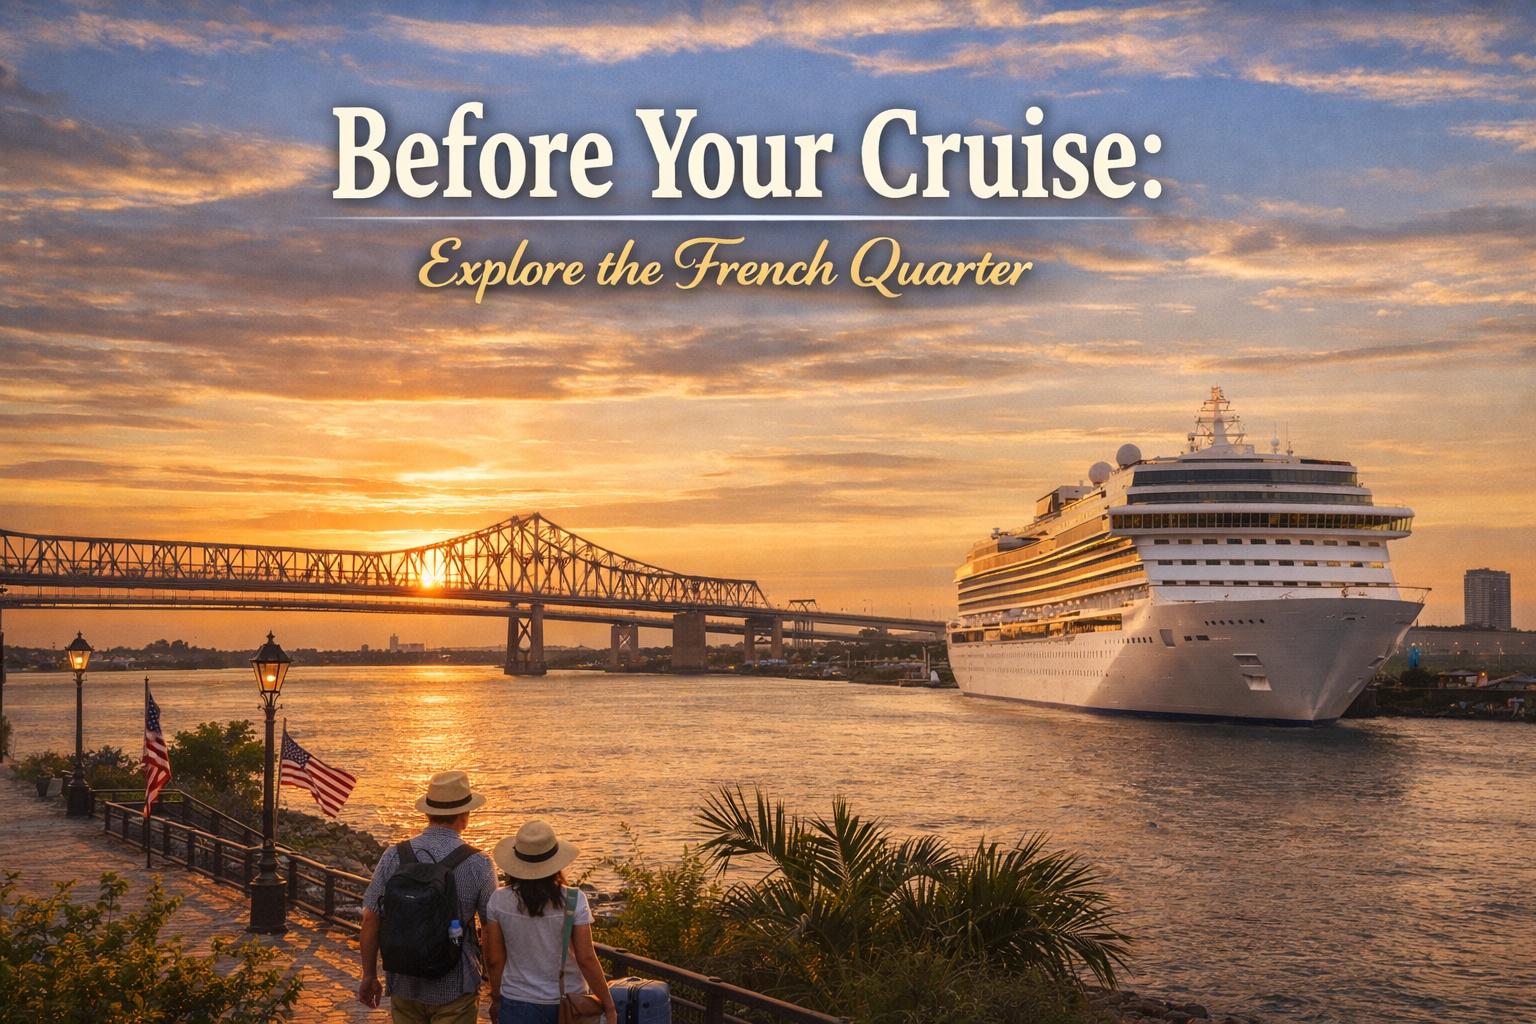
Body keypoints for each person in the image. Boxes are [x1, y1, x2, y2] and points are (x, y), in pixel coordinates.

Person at [359, 771, 498, 1024]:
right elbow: (490, 931)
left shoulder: (394, 855)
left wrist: (369, 976)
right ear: (465, 815)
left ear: (428, 812)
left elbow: (371, 919)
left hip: (404, 982)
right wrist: (497, 994)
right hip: (456, 986)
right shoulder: (479, 863)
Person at [483, 819, 616, 1024]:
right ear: (555, 862)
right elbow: (586, 958)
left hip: (516, 1001)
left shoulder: (498, 900)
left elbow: (494, 959)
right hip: (567, 1003)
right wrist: (608, 1004)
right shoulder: (574, 899)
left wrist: (497, 998)